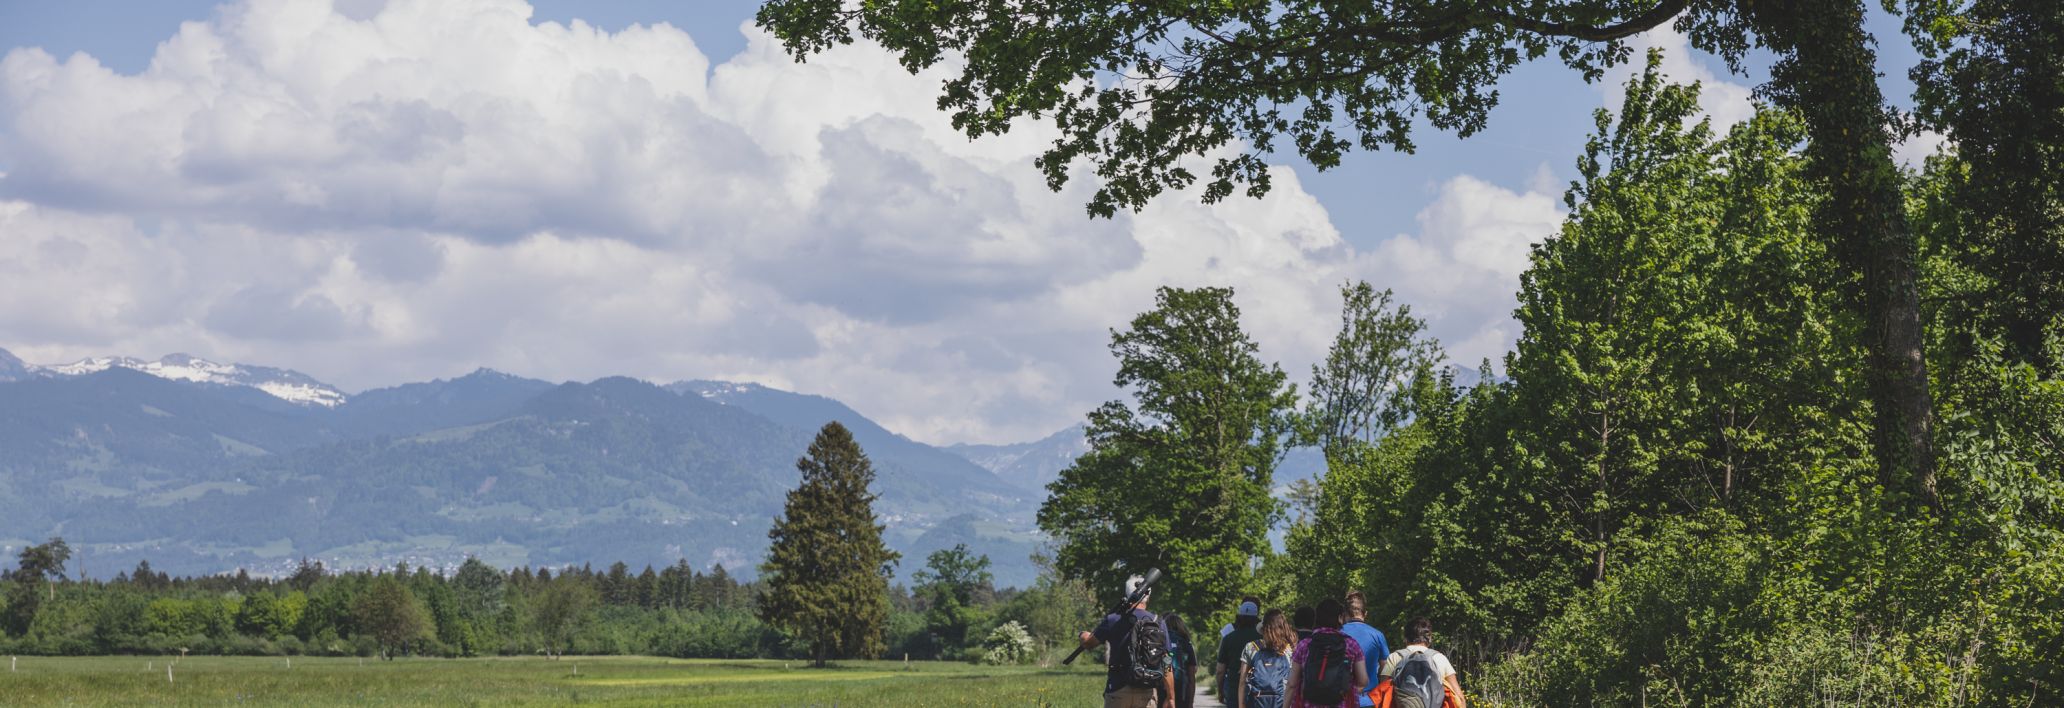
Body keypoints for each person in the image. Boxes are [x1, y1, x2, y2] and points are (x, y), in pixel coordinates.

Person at [1079, 575, 1178, 708]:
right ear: (1148, 595)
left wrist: (1083, 636)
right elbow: (1167, 662)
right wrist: (1171, 697)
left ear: (1126, 593)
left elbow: (1089, 643)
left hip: (1117, 689)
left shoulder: (1113, 619)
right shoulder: (1158, 622)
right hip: (1146, 691)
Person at [1286, 598, 1367, 708]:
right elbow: (1363, 680)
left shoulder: (1305, 644)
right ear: (1339, 618)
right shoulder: (1351, 644)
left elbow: (1292, 683)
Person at [1367, 618, 1466, 708]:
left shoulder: (1395, 657)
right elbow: (1459, 698)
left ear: (1405, 638)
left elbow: (1383, 693)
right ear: (1430, 638)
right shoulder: (1439, 658)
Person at [1338, 592, 1392, 708]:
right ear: (1365, 613)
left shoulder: (1336, 634)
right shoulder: (1377, 635)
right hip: (1369, 700)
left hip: (1341, 700)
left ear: (1345, 614)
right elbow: (1386, 670)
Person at [1238, 609, 1296, 708]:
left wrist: (1241, 705)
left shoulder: (1251, 647)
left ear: (1263, 628)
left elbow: (1242, 681)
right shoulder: (1290, 649)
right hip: (1281, 703)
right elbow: (1292, 683)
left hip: (1256, 703)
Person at [1215, 598, 1262, 701]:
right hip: (1258, 688)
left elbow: (1220, 670)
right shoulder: (1263, 637)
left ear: (1239, 617)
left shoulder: (1229, 638)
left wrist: (1220, 690)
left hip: (1233, 687)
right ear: (1256, 618)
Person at [1163, 613, 1199, 708]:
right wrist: (1190, 703)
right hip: (1182, 691)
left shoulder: (1161, 641)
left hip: (1163, 690)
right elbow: (1192, 678)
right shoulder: (1187, 644)